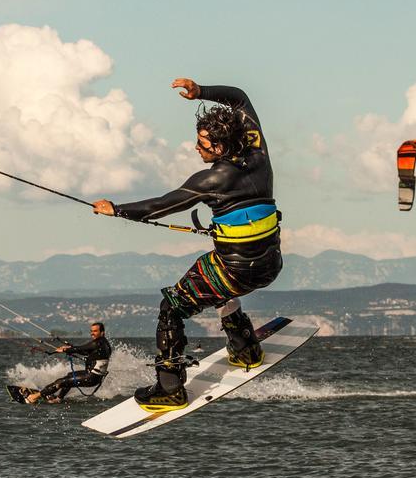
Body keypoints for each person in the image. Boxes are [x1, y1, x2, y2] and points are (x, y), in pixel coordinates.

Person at [90, 78, 282, 411]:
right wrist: (201, 92)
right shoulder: (257, 152)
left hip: (234, 272)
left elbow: (160, 205)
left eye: (202, 143)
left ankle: (170, 388)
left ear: (219, 148)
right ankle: (245, 347)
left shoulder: (213, 179)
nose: (196, 148)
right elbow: (240, 98)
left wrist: (116, 209)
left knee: (172, 307)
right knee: (214, 280)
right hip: (270, 265)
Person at [25, 322, 112, 404]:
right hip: (92, 376)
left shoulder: (98, 343)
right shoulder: (103, 343)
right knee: (70, 376)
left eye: (95, 331)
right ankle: (59, 398)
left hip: (91, 377)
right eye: (91, 331)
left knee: (60, 382)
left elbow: (81, 348)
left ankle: (33, 397)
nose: (92, 333)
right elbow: (85, 351)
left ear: (102, 332)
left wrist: (65, 349)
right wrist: (70, 348)